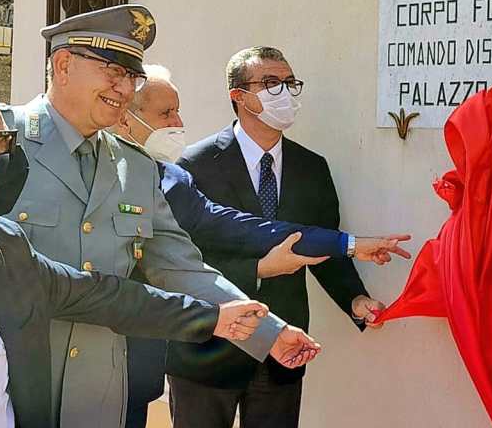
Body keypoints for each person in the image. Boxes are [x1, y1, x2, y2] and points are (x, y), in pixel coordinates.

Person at [0, 5, 321, 428]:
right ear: (63, 65)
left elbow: (180, 266)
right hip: (6, 383)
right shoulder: (0, 144)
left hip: (99, 393)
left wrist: (269, 332)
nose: (124, 89)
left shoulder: (134, 167)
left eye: (131, 76)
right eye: (113, 71)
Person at [0, 81, 278, 428]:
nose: (13, 162)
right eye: (0, 148)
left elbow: (105, 297)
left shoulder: (0, 250)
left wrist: (216, 317)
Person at [111, 64, 411, 428]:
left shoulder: (309, 166)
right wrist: (258, 269)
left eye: (289, 83)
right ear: (238, 96)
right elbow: (184, 264)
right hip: (205, 352)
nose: (178, 122)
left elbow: (291, 234)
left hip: (280, 350)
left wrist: (352, 281)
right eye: (270, 84)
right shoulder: (192, 164)